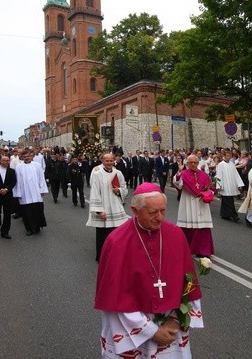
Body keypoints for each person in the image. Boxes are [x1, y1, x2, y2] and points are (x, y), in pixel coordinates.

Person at [95, 183, 203, 358]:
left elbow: (189, 284)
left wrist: (175, 321)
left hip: (170, 325)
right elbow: (115, 298)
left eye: (163, 211)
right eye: (152, 213)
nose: (160, 218)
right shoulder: (116, 242)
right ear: (135, 210)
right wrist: (151, 331)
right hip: (130, 324)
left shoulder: (176, 235)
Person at [86, 153, 129, 261]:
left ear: (114, 161)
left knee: (116, 234)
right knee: (102, 235)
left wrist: (118, 190)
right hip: (104, 208)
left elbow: (124, 188)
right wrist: (99, 211)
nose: (109, 163)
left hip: (115, 207)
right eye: (107, 161)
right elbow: (95, 192)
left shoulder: (118, 173)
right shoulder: (97, 174)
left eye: (111, 161)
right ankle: (101, 257)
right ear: (103, 161)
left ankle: (114, 255)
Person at [173, 154, 215, 258]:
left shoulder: (204, 175)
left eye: (195, 162)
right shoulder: (183, 173)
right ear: (187, 163)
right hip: (188, 201)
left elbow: (211, 188)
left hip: (200, 203)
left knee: (202, 226)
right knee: (188, 225)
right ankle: (187, 247)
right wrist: (179, 171)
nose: (193, 164)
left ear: (198, 163)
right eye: (191, 162)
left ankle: (203, 250)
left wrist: (208, 194)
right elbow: (177, 183)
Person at [12, 149, 48, 236]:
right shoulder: (19, 167)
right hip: (25, 193)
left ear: (31, 156)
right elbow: (17, 181)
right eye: (25, 157)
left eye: (28, 156)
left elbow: (41, 178)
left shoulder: (37, 165)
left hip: (36, 192)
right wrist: (18, 193)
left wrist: (42, 189)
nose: (27, 158)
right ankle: (29, 228)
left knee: (37, 210)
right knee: (26, 212)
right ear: (22, 158)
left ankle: (37, 226)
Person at [215, 149, 244, 222]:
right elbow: (219, 176)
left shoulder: (232, 164)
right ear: (224, 156)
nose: (229, 157)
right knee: (228, 201)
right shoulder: (221, 164)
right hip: (224, 186)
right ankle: (234, 216)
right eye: (227, 156)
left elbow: (236, 175)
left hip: (231, 185)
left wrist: (239, 184)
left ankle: (224, 214)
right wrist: (219, 186)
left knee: (227, 200)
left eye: (230, 155)